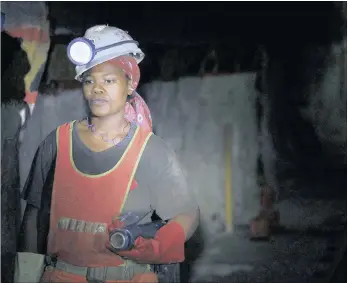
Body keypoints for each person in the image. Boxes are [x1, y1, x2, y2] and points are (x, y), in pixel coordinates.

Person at [19, 25, 199, 283]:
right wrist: (25, 274)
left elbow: (187, 211)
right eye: (90, 80)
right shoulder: (56, 142)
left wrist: (161, 244)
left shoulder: (151, 149)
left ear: (130, 83)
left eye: (109, 80)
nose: (97, 88)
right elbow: (34, 215)